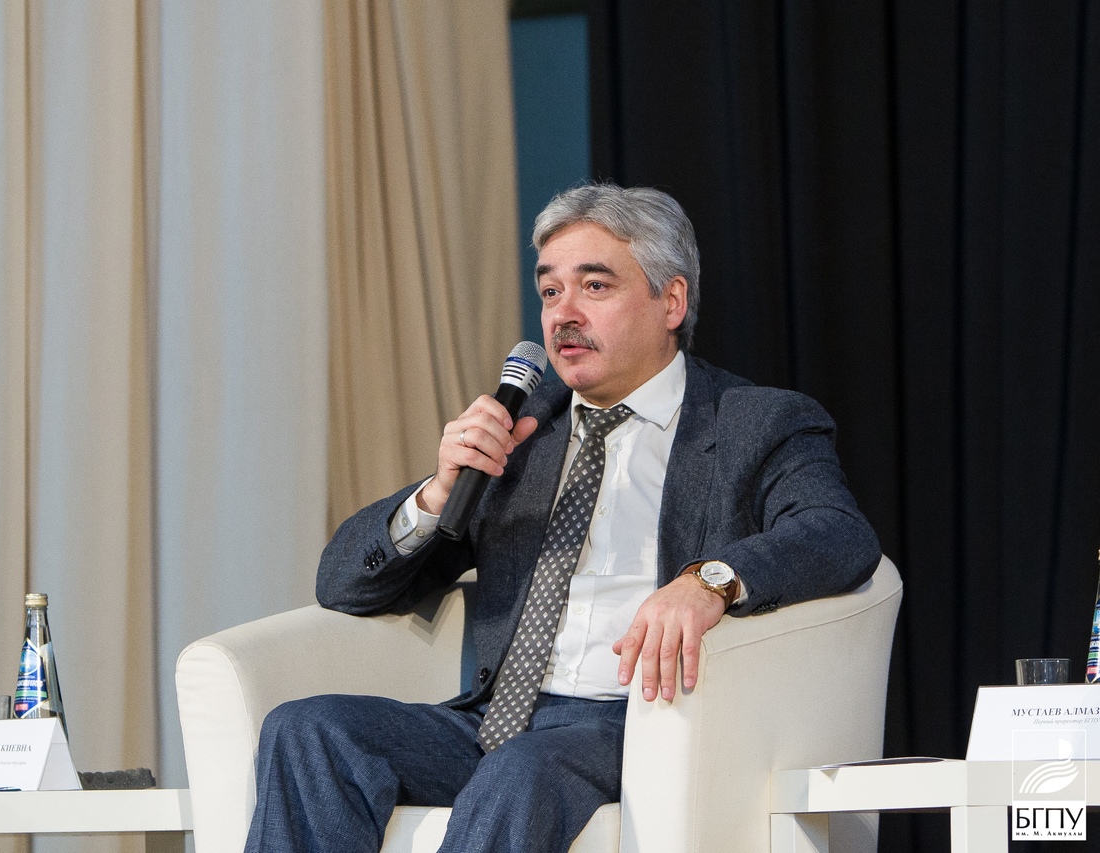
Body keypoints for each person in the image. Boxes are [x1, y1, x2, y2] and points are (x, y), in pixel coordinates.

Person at [244, 183, 881, 853]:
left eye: (595, 286)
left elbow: (837, 533)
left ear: (671, 301)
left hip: (636, 722)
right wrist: (437, 493)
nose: (563, 315)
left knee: (519, 774)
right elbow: (342, 584)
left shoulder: (756, 422)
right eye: (550, 291)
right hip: (495, 722)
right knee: (305, 730)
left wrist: (709, 580)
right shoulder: (524, 432)